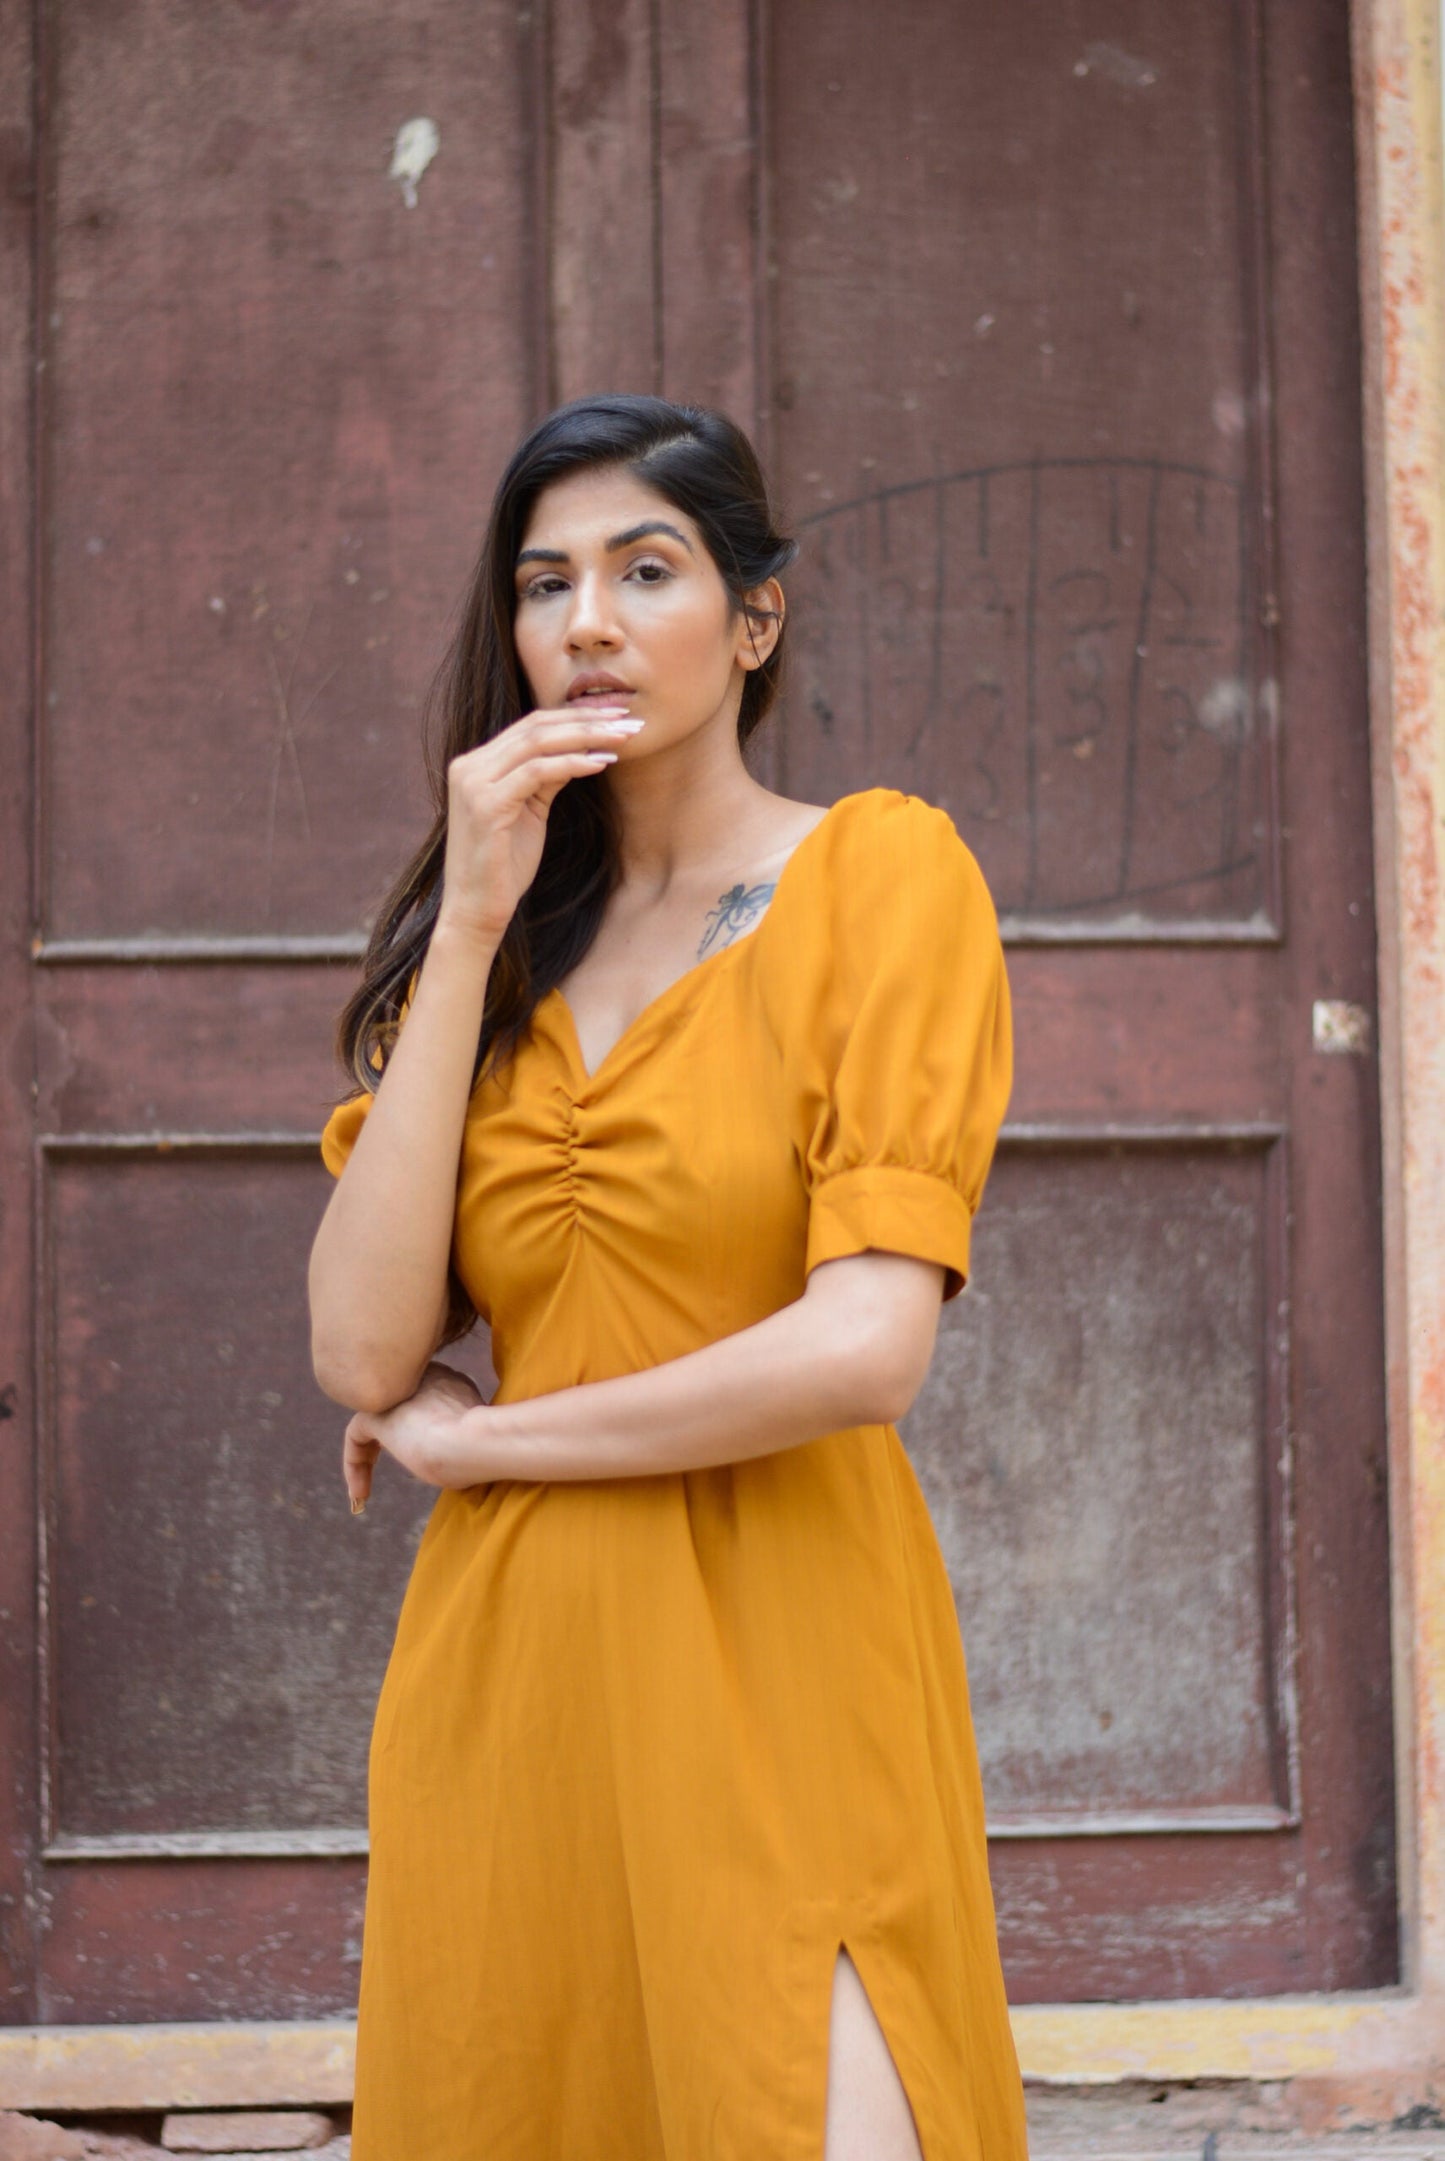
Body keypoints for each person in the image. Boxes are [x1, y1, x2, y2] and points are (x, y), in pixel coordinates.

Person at [308, 393, 1027, 2161]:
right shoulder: (487, 947)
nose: (590, 624)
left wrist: (479, 1447)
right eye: (546, 584)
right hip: (519, 1670)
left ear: (754, 618)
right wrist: (469, 921)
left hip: (785, 1632)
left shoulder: (880, 876)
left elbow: (862, 1350)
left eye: (649, 569)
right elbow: (361, 1344)